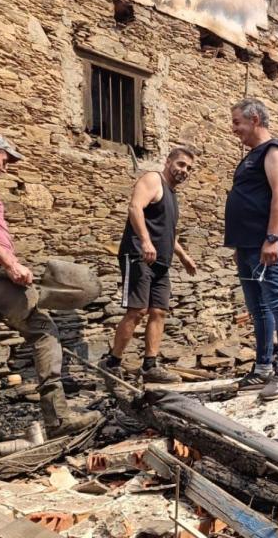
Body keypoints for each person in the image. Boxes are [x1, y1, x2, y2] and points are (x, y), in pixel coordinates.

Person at [0, 132, 99, 446]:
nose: (6, 166)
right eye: (5, 157)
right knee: (43, 332)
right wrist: (9, 264)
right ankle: (58, 419)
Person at [101, 147, 198, 385]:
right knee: (137, 310)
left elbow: (168, 234)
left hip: (161, 262)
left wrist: (184, 257)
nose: (184, 171)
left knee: (159, 312)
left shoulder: (172, 196)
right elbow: (135, 208)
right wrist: (145, 241)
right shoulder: (153, 179)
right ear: (168, 161)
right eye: (182, 164)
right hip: (138, 255)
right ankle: (112, 362)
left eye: (189, 169)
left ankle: (150, 366)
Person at [225, 97, 278, 401]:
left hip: (265, 243)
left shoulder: (274, 152)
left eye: (237, 122)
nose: (234, 129)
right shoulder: (252, 155)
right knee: (258, 308)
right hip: (247, 245)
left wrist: (271, 238)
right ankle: (263, 366)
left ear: (255, 120)